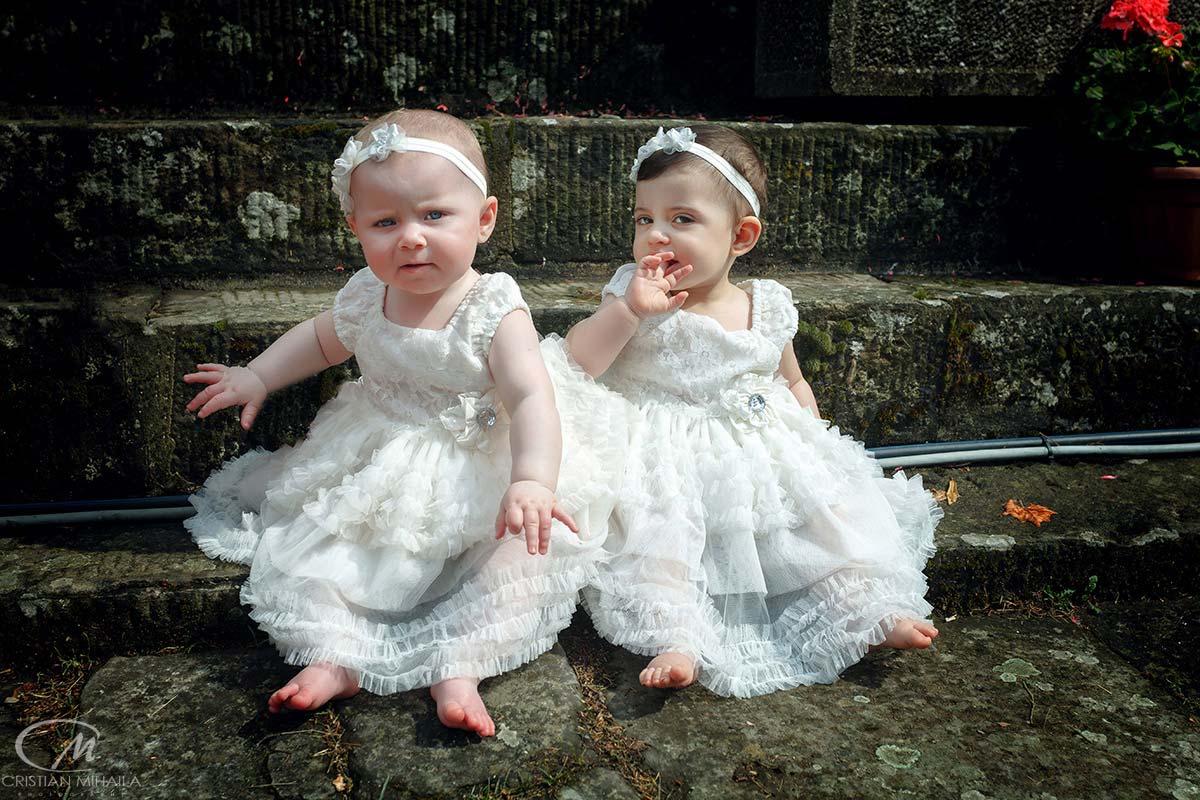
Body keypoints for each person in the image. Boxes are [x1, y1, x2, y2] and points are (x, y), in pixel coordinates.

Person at [183, 109, 622, 735]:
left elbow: (531, 399)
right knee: (334, 550)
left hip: (480, 465)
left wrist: (531, 480)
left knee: (512, 563)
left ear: (485, 219)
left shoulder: (492, 307)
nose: (410, 238)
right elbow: (320, 340)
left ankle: (460, 662)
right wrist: (257, 375)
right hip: (378, 451)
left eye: (434, 216)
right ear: (355, 228)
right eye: (385, 222)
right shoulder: (367, 294)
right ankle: (335, 656)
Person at [564, 124, 942, 698]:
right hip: (661, 456)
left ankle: (863, 608)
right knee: (661, 539)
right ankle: (678, 634)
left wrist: (814, 448)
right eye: (644, 219)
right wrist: (630, 314)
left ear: (740, 236)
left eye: (682, 219)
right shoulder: (632, 295)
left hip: (757, 448)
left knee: (820, 526)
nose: (655, 235)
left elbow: (789, 378)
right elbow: (579, 362)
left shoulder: (763, 305)